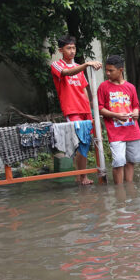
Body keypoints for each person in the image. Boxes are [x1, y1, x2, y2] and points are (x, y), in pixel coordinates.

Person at [51, 35, 102, 185]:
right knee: (79, 141)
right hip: (71, 109)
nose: (72, 51)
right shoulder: (57, 65)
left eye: (73, 48)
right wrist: (86, 65)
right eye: (68, 48)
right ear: (61, 50)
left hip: (84, 109)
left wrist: (90, 108)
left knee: (85, 143)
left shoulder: (79, 68)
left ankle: (81, 176)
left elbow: (84, 89)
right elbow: (66, 73)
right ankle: (81, 175)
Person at [97, 55, 140, 184]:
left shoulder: (130, 87)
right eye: (106, 70)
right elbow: (99, 109)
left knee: (130, 162)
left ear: (120, 70)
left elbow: (136, 106)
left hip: (132, 130)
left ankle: (128, 188)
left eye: (111, 70)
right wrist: (116, 115)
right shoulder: (103, 87)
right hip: (115, 132)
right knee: (118, 162)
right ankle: (120, 193)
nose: (107, 73)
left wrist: (135, 112)